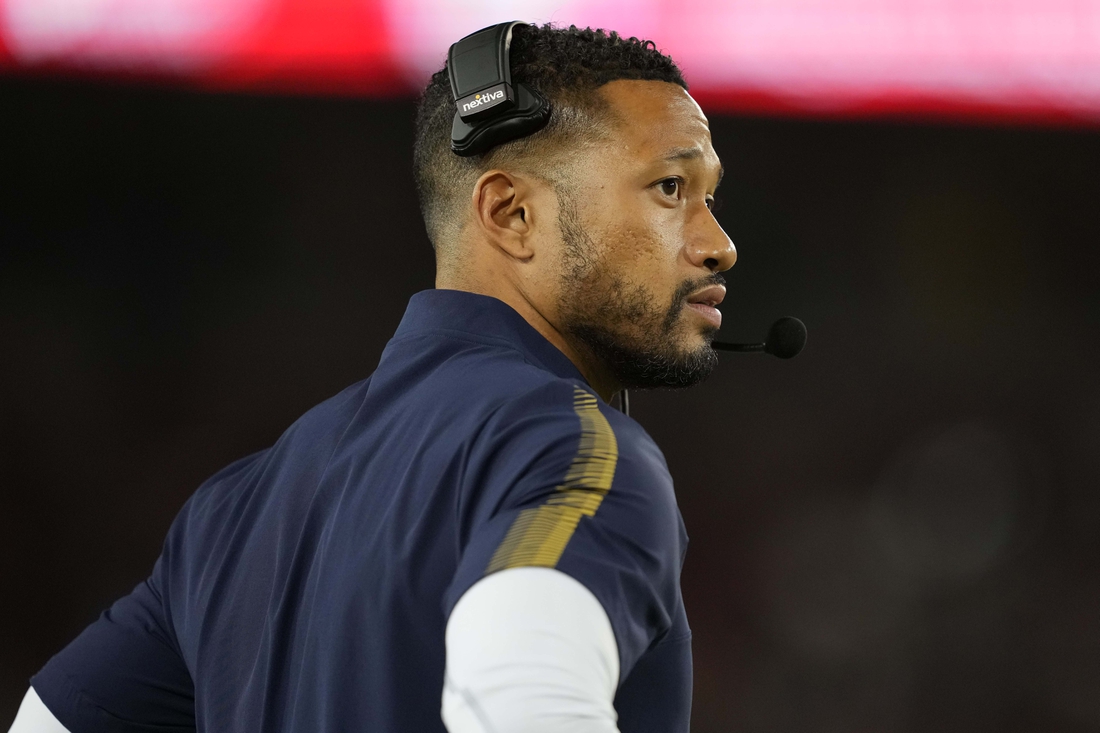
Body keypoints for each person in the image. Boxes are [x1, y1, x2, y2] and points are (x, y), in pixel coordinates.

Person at [9, 22, 734, 733]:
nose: (718, 244)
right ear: (512, 214)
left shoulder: (233, 510)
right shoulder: (575, 451)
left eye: (709, 196)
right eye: (670, 187)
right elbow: (514, 703)